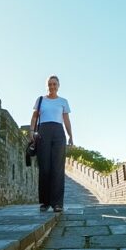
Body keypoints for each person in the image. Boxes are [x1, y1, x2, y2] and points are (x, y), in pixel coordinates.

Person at [30, 75, 73, 213]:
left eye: (54, 84)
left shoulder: (63, 101)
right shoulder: (41, 100)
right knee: (45, 168)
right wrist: (31, 131)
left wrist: (71, 135)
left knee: (58, 168)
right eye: (50, 84)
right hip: (43, 132)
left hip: (59, 133)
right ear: (47, 85)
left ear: (58, 85)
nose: (52, 86)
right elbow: (35, 116)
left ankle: (57, 203)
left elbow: (66, 120)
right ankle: (45, 202)